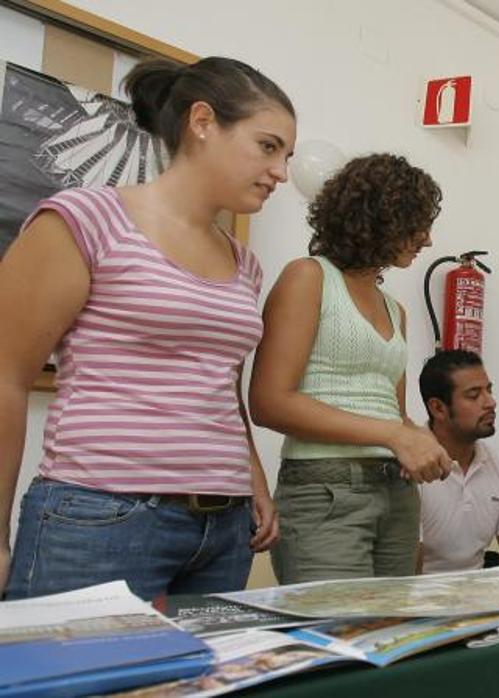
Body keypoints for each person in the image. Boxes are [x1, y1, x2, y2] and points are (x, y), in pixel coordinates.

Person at [1, 57, 293, 599]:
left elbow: (221, 385)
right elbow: (5, 377)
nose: (281, 172)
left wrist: (252, 477)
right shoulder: (85, 219)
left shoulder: (244, 263)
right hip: (101, 512)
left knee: (201, 686)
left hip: (224, 528)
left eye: (287, 155)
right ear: (203, 122)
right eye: (268, 146)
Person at [249, 153, 451, 584]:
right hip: (326, 490)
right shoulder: (308, 277)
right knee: (341, 637)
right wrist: (395, 434)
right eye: (416, 222)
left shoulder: (396, 311)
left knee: (392, 637)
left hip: (396, 492)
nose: (427, 240)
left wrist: (419, 439)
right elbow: (268, 403)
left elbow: (392, 417)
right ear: (379, 217)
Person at [416, 350, 499, 573]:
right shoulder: (410, 471)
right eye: (473, 395)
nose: (491, 402)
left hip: (480, 598)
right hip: (422, 601)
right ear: (438, 408)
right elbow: (407, 574)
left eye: (489, 390)